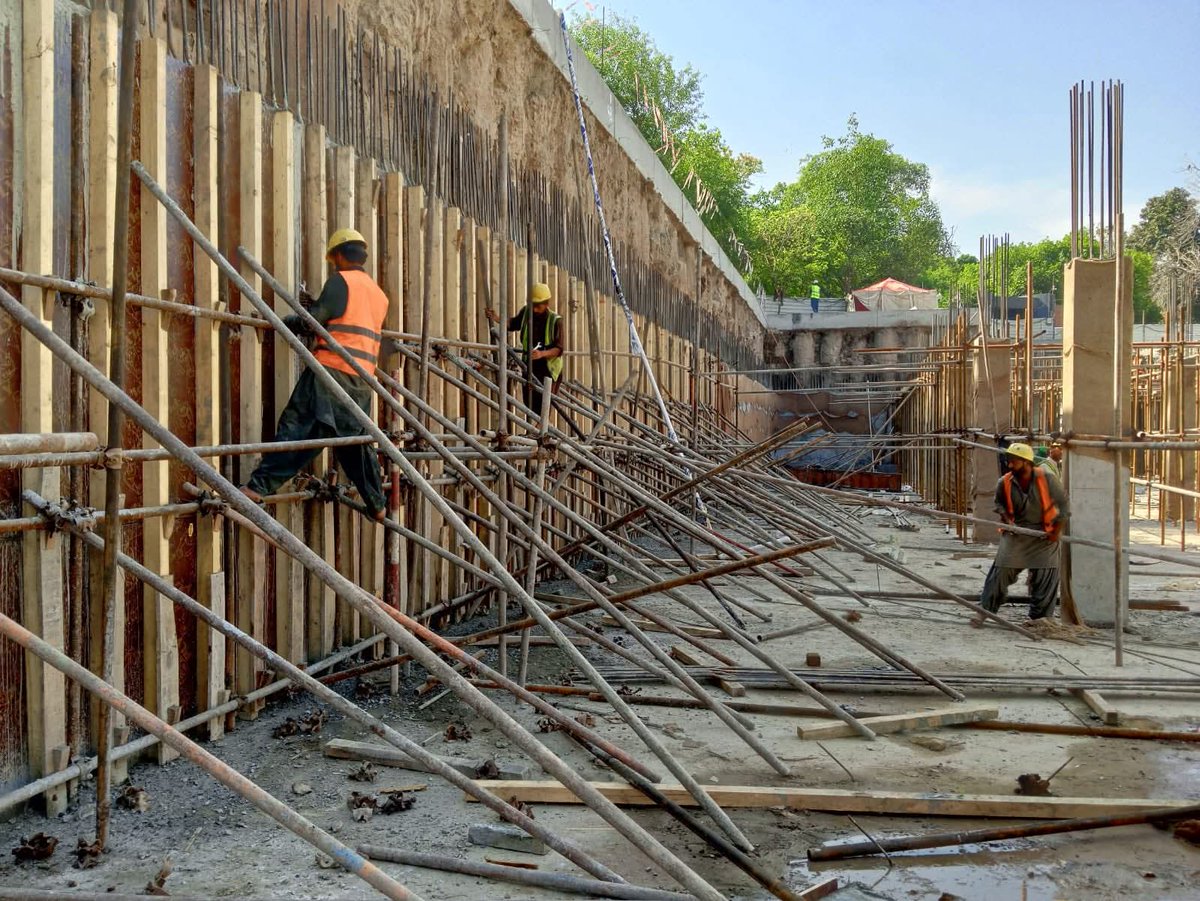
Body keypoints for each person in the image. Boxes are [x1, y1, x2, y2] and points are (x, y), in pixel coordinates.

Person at [240, 228, 391, 520]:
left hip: (329, 374)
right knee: (355, 445)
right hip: (360, 381)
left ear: (337, 256)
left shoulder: (341, 281)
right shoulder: (378, 295)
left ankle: (259, 487)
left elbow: (313, 323)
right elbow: (344, 319)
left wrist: (283, 322)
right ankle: (377, 503)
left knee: (298, 427)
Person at [974, 442, 1069, 624]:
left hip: (1044, 535)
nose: (1010, 465)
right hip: (1017, 533)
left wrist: (1056, 532)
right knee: (1000, 571)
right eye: (1009, 461)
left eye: (1014, 462)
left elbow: (1064, 507)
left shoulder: (1047, 479)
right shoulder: (1005, 482)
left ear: (1026, 463)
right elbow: (999, 504)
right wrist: (1006, 520)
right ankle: (985, 610)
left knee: (1046, 574)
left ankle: (1040, 618)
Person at [486, 282, 564, 411]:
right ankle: (535, 428)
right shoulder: (526, 312)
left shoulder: (555, 321)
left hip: (548, 367)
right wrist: (497, 318)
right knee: (529, 400)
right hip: (530, 363)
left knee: (545, 401)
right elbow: (513, 324)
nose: (534, 309)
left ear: (546, 303)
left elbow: (559, 349)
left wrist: (542, 354)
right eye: (532, 305)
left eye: (538, 306)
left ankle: (541, 428)